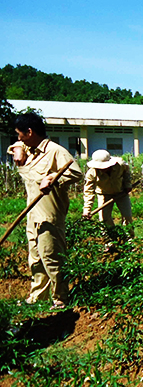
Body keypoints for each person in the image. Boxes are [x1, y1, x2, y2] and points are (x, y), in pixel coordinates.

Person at [13, 112, 83, 309]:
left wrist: (53, 178)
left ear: (30, 131)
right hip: (32, 213)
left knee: (51, 256)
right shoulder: (29, 148)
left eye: (20, 134)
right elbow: (16, 146)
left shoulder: (55, 151)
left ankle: (60, 297)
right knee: (34, 257)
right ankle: (38, 296)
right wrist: (17, 148)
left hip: (49, 213)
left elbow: (76, 173)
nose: (18, 138)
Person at [82, 150, 133, 231]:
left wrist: (128, 185)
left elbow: (127, 173)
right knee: (104, 219)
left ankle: (129, 239)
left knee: (127, 216)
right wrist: (87, 210)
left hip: (121, 193)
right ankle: (110, 239)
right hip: (104, 194)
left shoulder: (120, 165)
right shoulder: (91, 173)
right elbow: (89, 191)